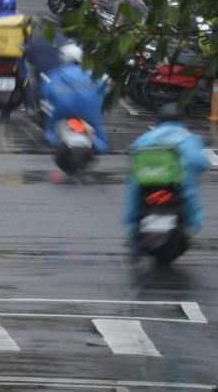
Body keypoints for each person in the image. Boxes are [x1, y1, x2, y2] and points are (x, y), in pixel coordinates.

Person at [125, 103, 208, 254]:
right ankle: (191, 225)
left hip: (147, 184)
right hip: (176, 185)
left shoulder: (146, 137)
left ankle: (134, 237)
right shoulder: (187, 138)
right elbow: (200, 162)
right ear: (181, 120)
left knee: (133, 192)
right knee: (189, 194)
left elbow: (133, 156)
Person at [25, 39, 108, 154]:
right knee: (97, 130)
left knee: (51, 128)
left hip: (62, 110)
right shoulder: (91, 74)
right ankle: (99, 147)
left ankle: (55, 143)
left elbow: (45, 92)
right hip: (89, 112)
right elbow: (103, 92)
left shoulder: (57, 73)